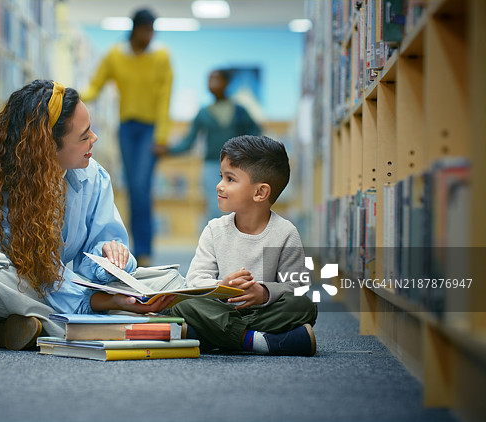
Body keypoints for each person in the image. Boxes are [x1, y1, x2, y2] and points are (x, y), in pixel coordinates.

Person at [0, 80, 176, 351]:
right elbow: (41, 278)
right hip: (6, 296)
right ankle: (97, 326)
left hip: (63, 293)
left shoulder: (93, 176)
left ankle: (25, 331)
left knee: (169, 283)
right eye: (84, 136)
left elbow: (95, 260)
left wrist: (111, 256)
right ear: (48, 148)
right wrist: (103, 302)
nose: (94, 139)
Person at [169, 135, 318, 356]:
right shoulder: (214, 229)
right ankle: (258, 341)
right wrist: (222, 287)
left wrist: (264, 293)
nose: (219, 185)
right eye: (221, 177)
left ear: (260, 192)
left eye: (230, 179)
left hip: (263, 313)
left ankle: (214, 338)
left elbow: (296, 287)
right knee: (180, 305)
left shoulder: (285, 233)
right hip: (220, 310)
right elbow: (195, 280)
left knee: (304, 306)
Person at [79, 8, 173, 266]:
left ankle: (144, 250)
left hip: (151, 130)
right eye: (147, 30)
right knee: (132, 189)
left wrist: (162, 136)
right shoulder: (115, 55)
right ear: (135, 29)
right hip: (127, 129)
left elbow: (165, 97)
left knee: (142, 189)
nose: (150, 36)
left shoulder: (161, 57)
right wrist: (69, 95)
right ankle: (131, 248)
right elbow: (95, 87)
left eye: (153, 30)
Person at [167, 69, 261, 223]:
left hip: (237, 167)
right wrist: (168, 150)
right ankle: (215, 244)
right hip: (211, 166)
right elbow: (189, 141)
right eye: (209, 80)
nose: (212, 84)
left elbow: (255, 132)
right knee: (214, 206)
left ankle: (237, 244)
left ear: (227, 83)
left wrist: (247, 154)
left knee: (236, 207)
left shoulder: (239, 110)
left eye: (216, 79)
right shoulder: (204, 113)